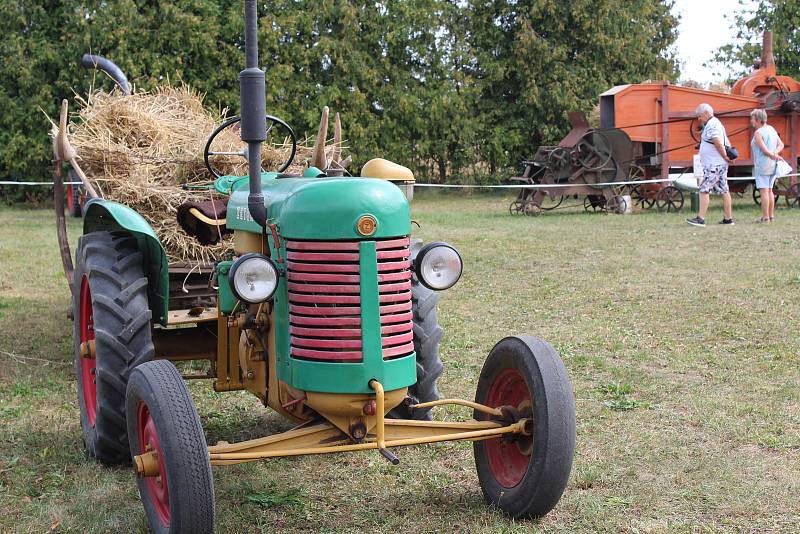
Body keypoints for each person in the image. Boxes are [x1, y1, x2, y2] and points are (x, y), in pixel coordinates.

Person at [686, 103, 734, 227]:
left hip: (714, 165)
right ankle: (728, 219)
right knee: (724, 190)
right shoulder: (715, 123)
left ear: (706, 113)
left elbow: (717, 142)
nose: (699, 119)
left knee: (704, 189)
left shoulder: (712, 125)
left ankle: (701, 218)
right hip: (719, 164)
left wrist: (724, 156)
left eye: (700, 116)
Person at [750, 108, 784, 223]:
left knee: (764, 192)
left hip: (762, 165)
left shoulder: (758, 133)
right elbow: (781, 145)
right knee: (770, 191)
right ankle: (771, 216)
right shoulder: (772, 129)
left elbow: (764, 150)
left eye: (752, 119)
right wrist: (775, 154)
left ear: (758, 120)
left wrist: (773, 155)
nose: (751, 121)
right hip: (773, 165)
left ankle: (765, 217)